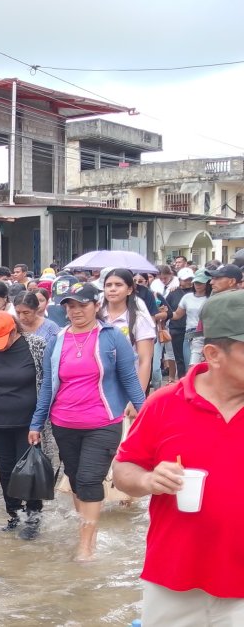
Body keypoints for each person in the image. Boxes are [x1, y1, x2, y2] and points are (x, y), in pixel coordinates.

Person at [112, 290, 244, 626]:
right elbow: (123, 471)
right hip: (175, 577)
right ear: (214, 354)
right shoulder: (164, 403)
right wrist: (147, 480)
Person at [29, 281, 146, 562]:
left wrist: (146, 414)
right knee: (76, 478)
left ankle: (86, 545)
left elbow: (129, 380)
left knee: (91, 479)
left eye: (82, 304)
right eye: (70, 305)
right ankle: (86, 526)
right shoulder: (56, 340)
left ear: (97, 305)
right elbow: (47, 385)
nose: (75, 310)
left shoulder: (112, 336)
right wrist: (36, 423)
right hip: (64, 422)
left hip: (103, 422)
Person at [0, 312, 51, 539]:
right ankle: (14, 515)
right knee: (5, 470)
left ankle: (34, 517)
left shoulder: (35, 345)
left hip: (28, 422)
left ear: (14, 331)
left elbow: (47, 381)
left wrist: (41, 419)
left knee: (28, 469)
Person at [100, 268, 157, 391]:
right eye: (108, 285)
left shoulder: (139, 319)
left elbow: (145, 361)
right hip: (98, 386)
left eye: (118, 285)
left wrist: (137, 398)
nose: (112, 289)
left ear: (129, 290)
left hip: (127, 386)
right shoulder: (96, 316)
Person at [164, 267, 195, 379]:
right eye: (185, 279)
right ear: (180, 280)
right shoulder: (173, 292)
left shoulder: (197, 292)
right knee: (179, 358)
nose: (188, 282)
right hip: (177, 329)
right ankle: (183, 380)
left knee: (192, 358)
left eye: (190, 279)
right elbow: (166, 309)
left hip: (193, 330)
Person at [176, 270, 210, 368]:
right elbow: (177, 314)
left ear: (207, 283)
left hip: (205, 335)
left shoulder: (211, 298)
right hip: (189, 335)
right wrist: (165, 313)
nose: (197, 285)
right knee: (189, 367)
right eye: (196, 282)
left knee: (201, 367)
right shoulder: (187, 297)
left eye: (201, 283)